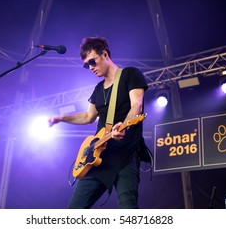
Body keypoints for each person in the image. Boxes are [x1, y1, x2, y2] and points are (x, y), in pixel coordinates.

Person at [48, 36, 150, 209]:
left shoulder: (130, 74)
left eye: (92, 62)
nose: (90, 68)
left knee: (128, 210)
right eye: (86, 65)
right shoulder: (97, 89)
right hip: (99, 156)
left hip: (125, 156)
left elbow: (136, 106)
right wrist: (62, 118)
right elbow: (88, 117)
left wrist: (122, 125)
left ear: (105, 54)